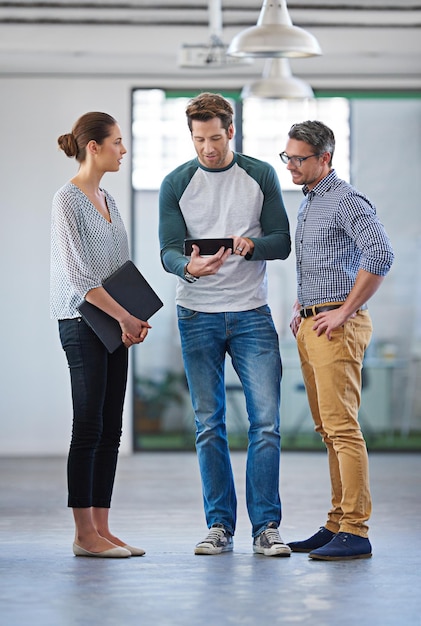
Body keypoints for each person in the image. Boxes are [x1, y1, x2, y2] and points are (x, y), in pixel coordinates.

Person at [159, 92, 292, 557]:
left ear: (230, 131)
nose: (207, 149)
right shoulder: (176, 182)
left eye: (215, 138)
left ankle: (266, 528)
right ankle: (219, 526)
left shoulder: (259, 174)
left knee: (267, 424)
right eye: (199, 140)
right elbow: (168, 250)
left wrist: (252, 246)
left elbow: (282, 241)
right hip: (196, 314)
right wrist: (187, 267)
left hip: (251, 312)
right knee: (209, 424)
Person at [282, 120, 394, 560]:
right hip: (312, 325)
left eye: (299, 158)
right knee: (328, 430)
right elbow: (324, 264)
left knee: (344, 430)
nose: (291, 165)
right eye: (287, 156)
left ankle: (356, 530)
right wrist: (301, 306)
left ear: (324, 159)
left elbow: (380, 254)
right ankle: (336, 523)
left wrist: (344, 310)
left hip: (338, 328)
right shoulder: (310, 203)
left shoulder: (346, 200)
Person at [50, 111, 151, 558]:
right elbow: (79, 276)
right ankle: (82, 534)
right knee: (87, 424)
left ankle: (102, 528)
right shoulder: (66, 200)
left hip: (113, 323)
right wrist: (125, 318)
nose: (123, 150)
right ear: (93, 146)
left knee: (111, 427)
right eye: (117, 142)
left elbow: (121, 270)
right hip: (79, 322)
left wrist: (135, 318)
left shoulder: (109, 199)